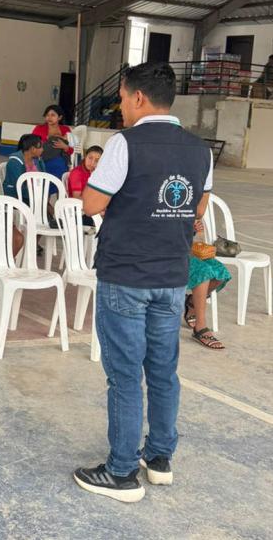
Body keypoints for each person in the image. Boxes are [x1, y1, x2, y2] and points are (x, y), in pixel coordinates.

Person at [74, 62, 213, 502]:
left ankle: (121, 472)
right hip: (171, 277)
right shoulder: (200, 149)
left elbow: (90, 203)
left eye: (121, 99)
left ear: (137, 97)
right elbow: (199, 207)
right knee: (163, 372)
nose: (120, 107)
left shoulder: (124, 143)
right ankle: (159, 459)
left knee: (125, 376)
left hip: (127, 275)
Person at [184, 219, 231, 350]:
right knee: (202, 271)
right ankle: (200, 327)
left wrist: (192, 228)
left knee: (221, 273)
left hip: (185, 247)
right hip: (163, 251)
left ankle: (191, 302)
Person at [32, 104, 73, 179]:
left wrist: (65, 147)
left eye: (53, 115)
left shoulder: (65, 129)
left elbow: (71, 149)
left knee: (59, 171)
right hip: (42, 160)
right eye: (47, 115)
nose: (49, 118)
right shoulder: (39, 128)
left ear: (60, 117)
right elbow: (31, 145)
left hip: (59, 162)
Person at [67, 145, 103, 227]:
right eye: (90, 158)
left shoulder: (96, 173)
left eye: (97, 160)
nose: (92, 162)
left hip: (91, 206)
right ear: (85, 156)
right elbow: (77, 198)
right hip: (78, 211)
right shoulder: (77, 173)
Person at [3, 133, 46, 200]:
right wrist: (35, 197)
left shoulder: (38, 160)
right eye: (41, 147)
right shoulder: (15, 162)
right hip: (17, 197)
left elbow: (44, 178)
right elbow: (19, 185)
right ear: (33, 149)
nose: (42, 149)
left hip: (34, 195)